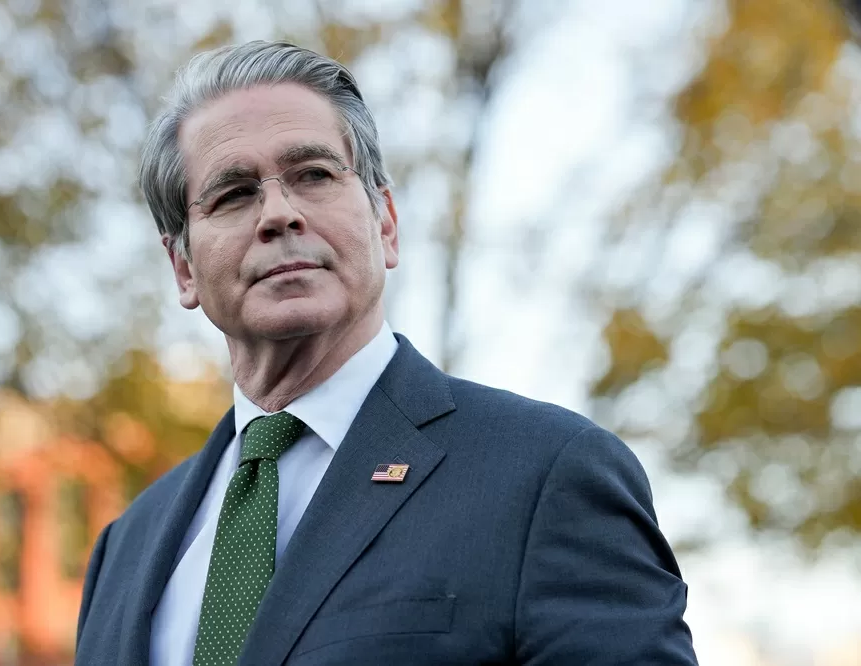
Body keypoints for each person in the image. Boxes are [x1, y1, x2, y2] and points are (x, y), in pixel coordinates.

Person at [74, 40, 699, 666]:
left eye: (314, 175)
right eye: (233, 194)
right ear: (183, 267)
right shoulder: (123, 549)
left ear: (386, 223)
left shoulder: (546, 474)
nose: (278, 214)